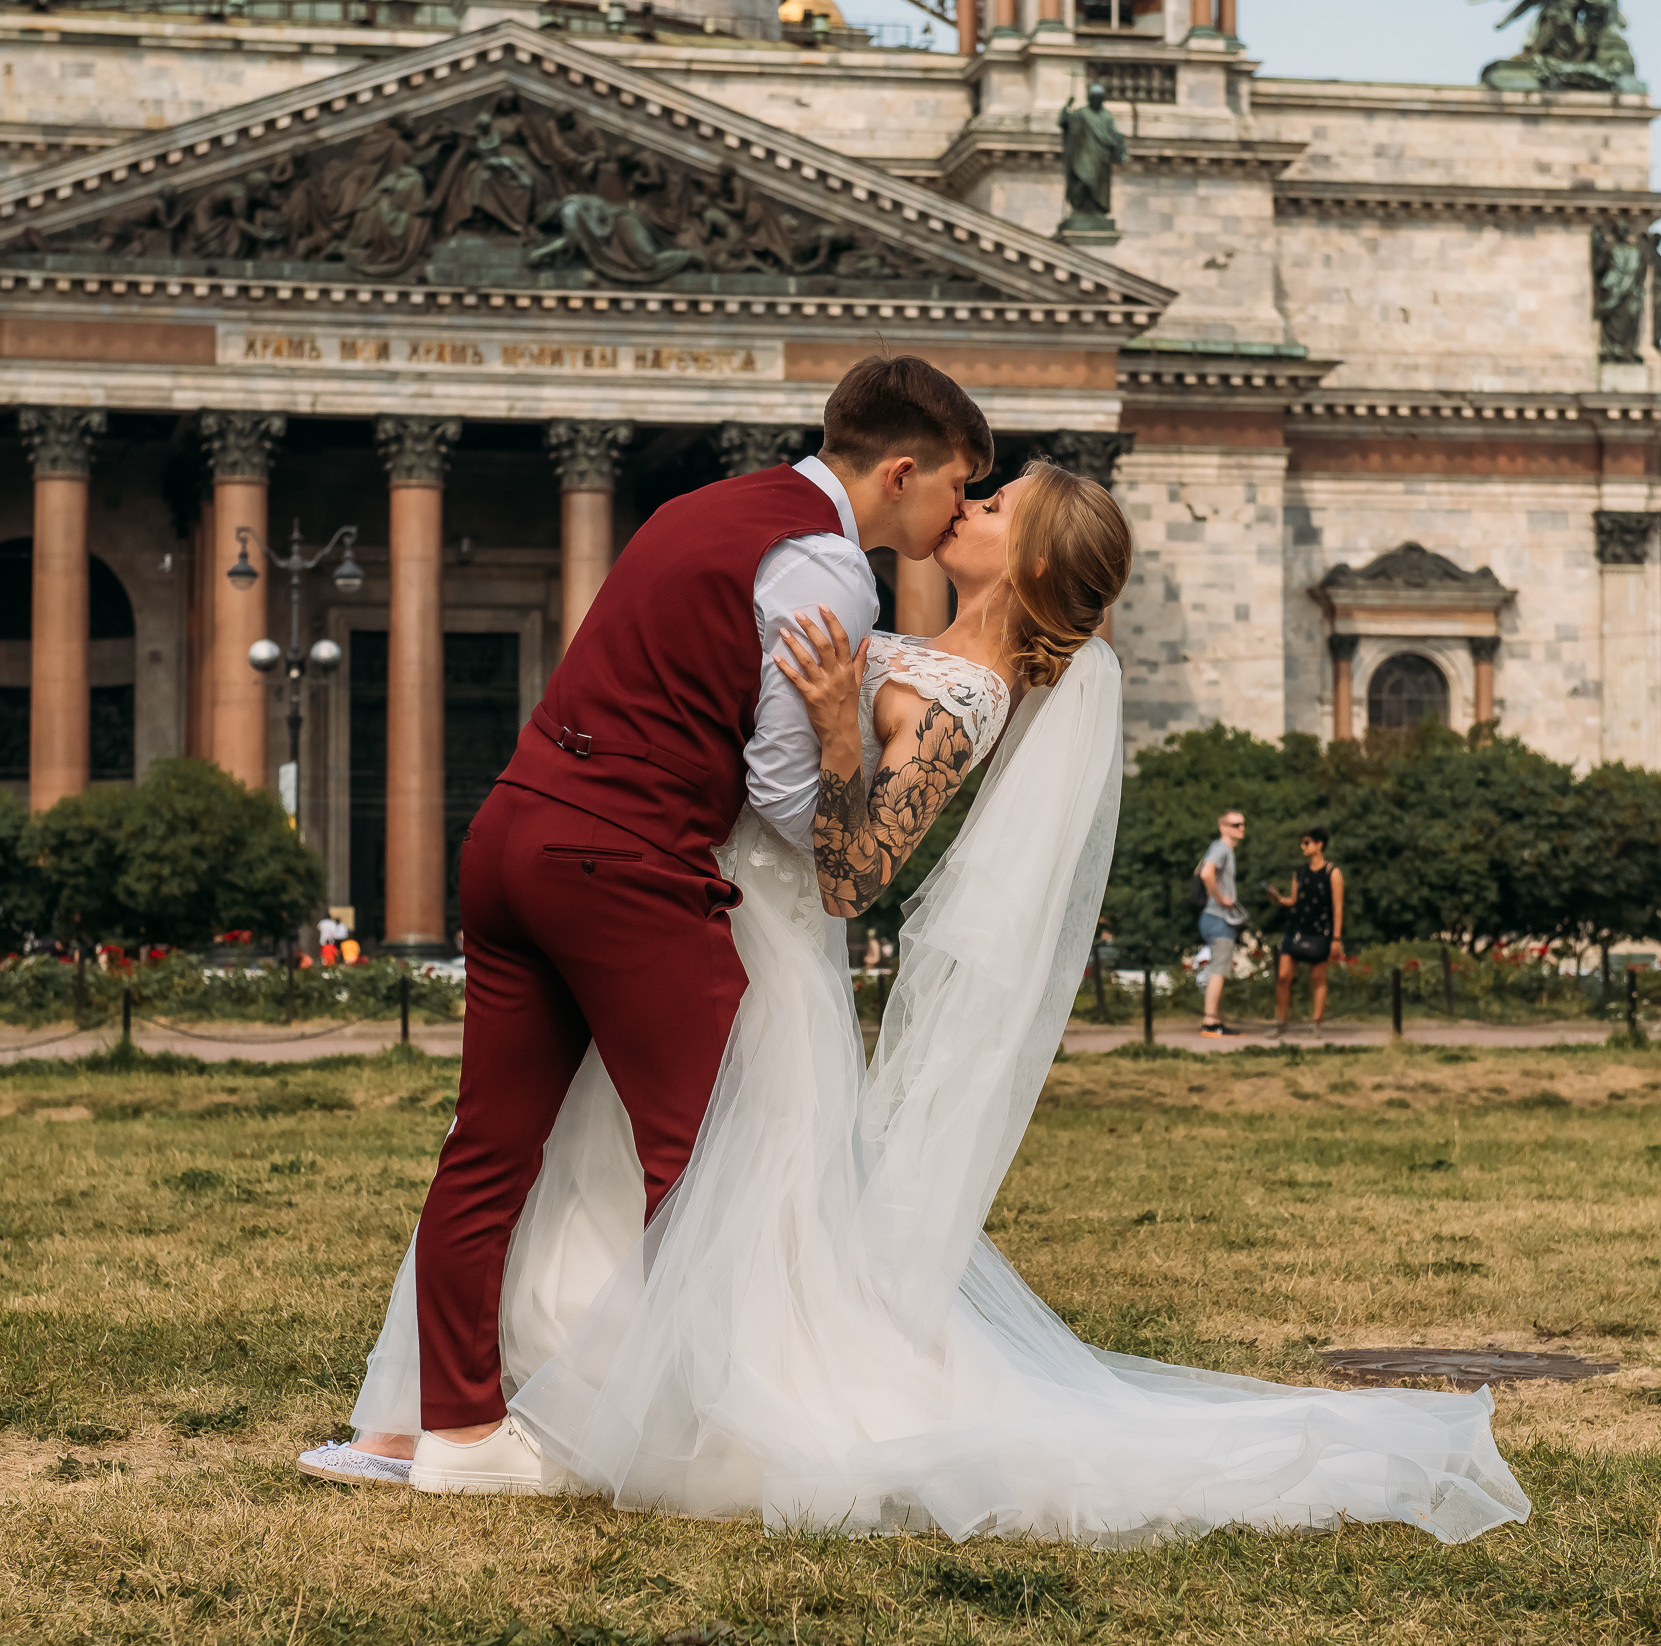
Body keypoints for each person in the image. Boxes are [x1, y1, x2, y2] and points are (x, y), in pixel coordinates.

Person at [304, 460, 1528, 1546]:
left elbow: (855, 874)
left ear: (1034, 557)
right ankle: (550, 1395)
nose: (968, 505)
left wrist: (838, 719)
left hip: (753, 935)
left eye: (996, 505)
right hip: (674, 898)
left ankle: (673, 1406)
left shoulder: (970, 690)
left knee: (717, 1178)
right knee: (615, 1165)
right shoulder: (912, 634)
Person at [296, 355, 988, 1495]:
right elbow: (777, 794)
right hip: (621, 863)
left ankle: (452, 1424)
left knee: (487, 1145)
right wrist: (845, 743)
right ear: (900, 470)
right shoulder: (826, 564)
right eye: (952, 488)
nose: (953, 514)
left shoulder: (698, 508)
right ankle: (686, 1425)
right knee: (708, 1153)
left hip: (511, 828)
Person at [1268, 827, 1345, 1037]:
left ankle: (1315, 1023)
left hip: (1320, 930)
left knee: (1318, 978)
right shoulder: (1300, 872)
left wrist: (1336, 938)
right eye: (1302, 843)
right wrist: (1278, 898)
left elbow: (1337, 907)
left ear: (1320, 844)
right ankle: (1280, 1020)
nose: (1303, 847)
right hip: (1297, 928)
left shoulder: (1332, 873)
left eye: (1307, 843)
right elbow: (1294, 900)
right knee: (1283, 976)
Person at [1195, 810, 1247, 1037]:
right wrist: (1221, 898)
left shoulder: (1216, 848)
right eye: (1235, 824)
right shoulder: (1222, 848)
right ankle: (1210, 1022)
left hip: (1211, 917)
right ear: (1223, 826)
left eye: (1242, 824)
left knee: (1218, 967)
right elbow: (1206, 874)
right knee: (1219, 970)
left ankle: (1213, 1019)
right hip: (1218, 918)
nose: (1241, 828)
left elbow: (1200, 870)